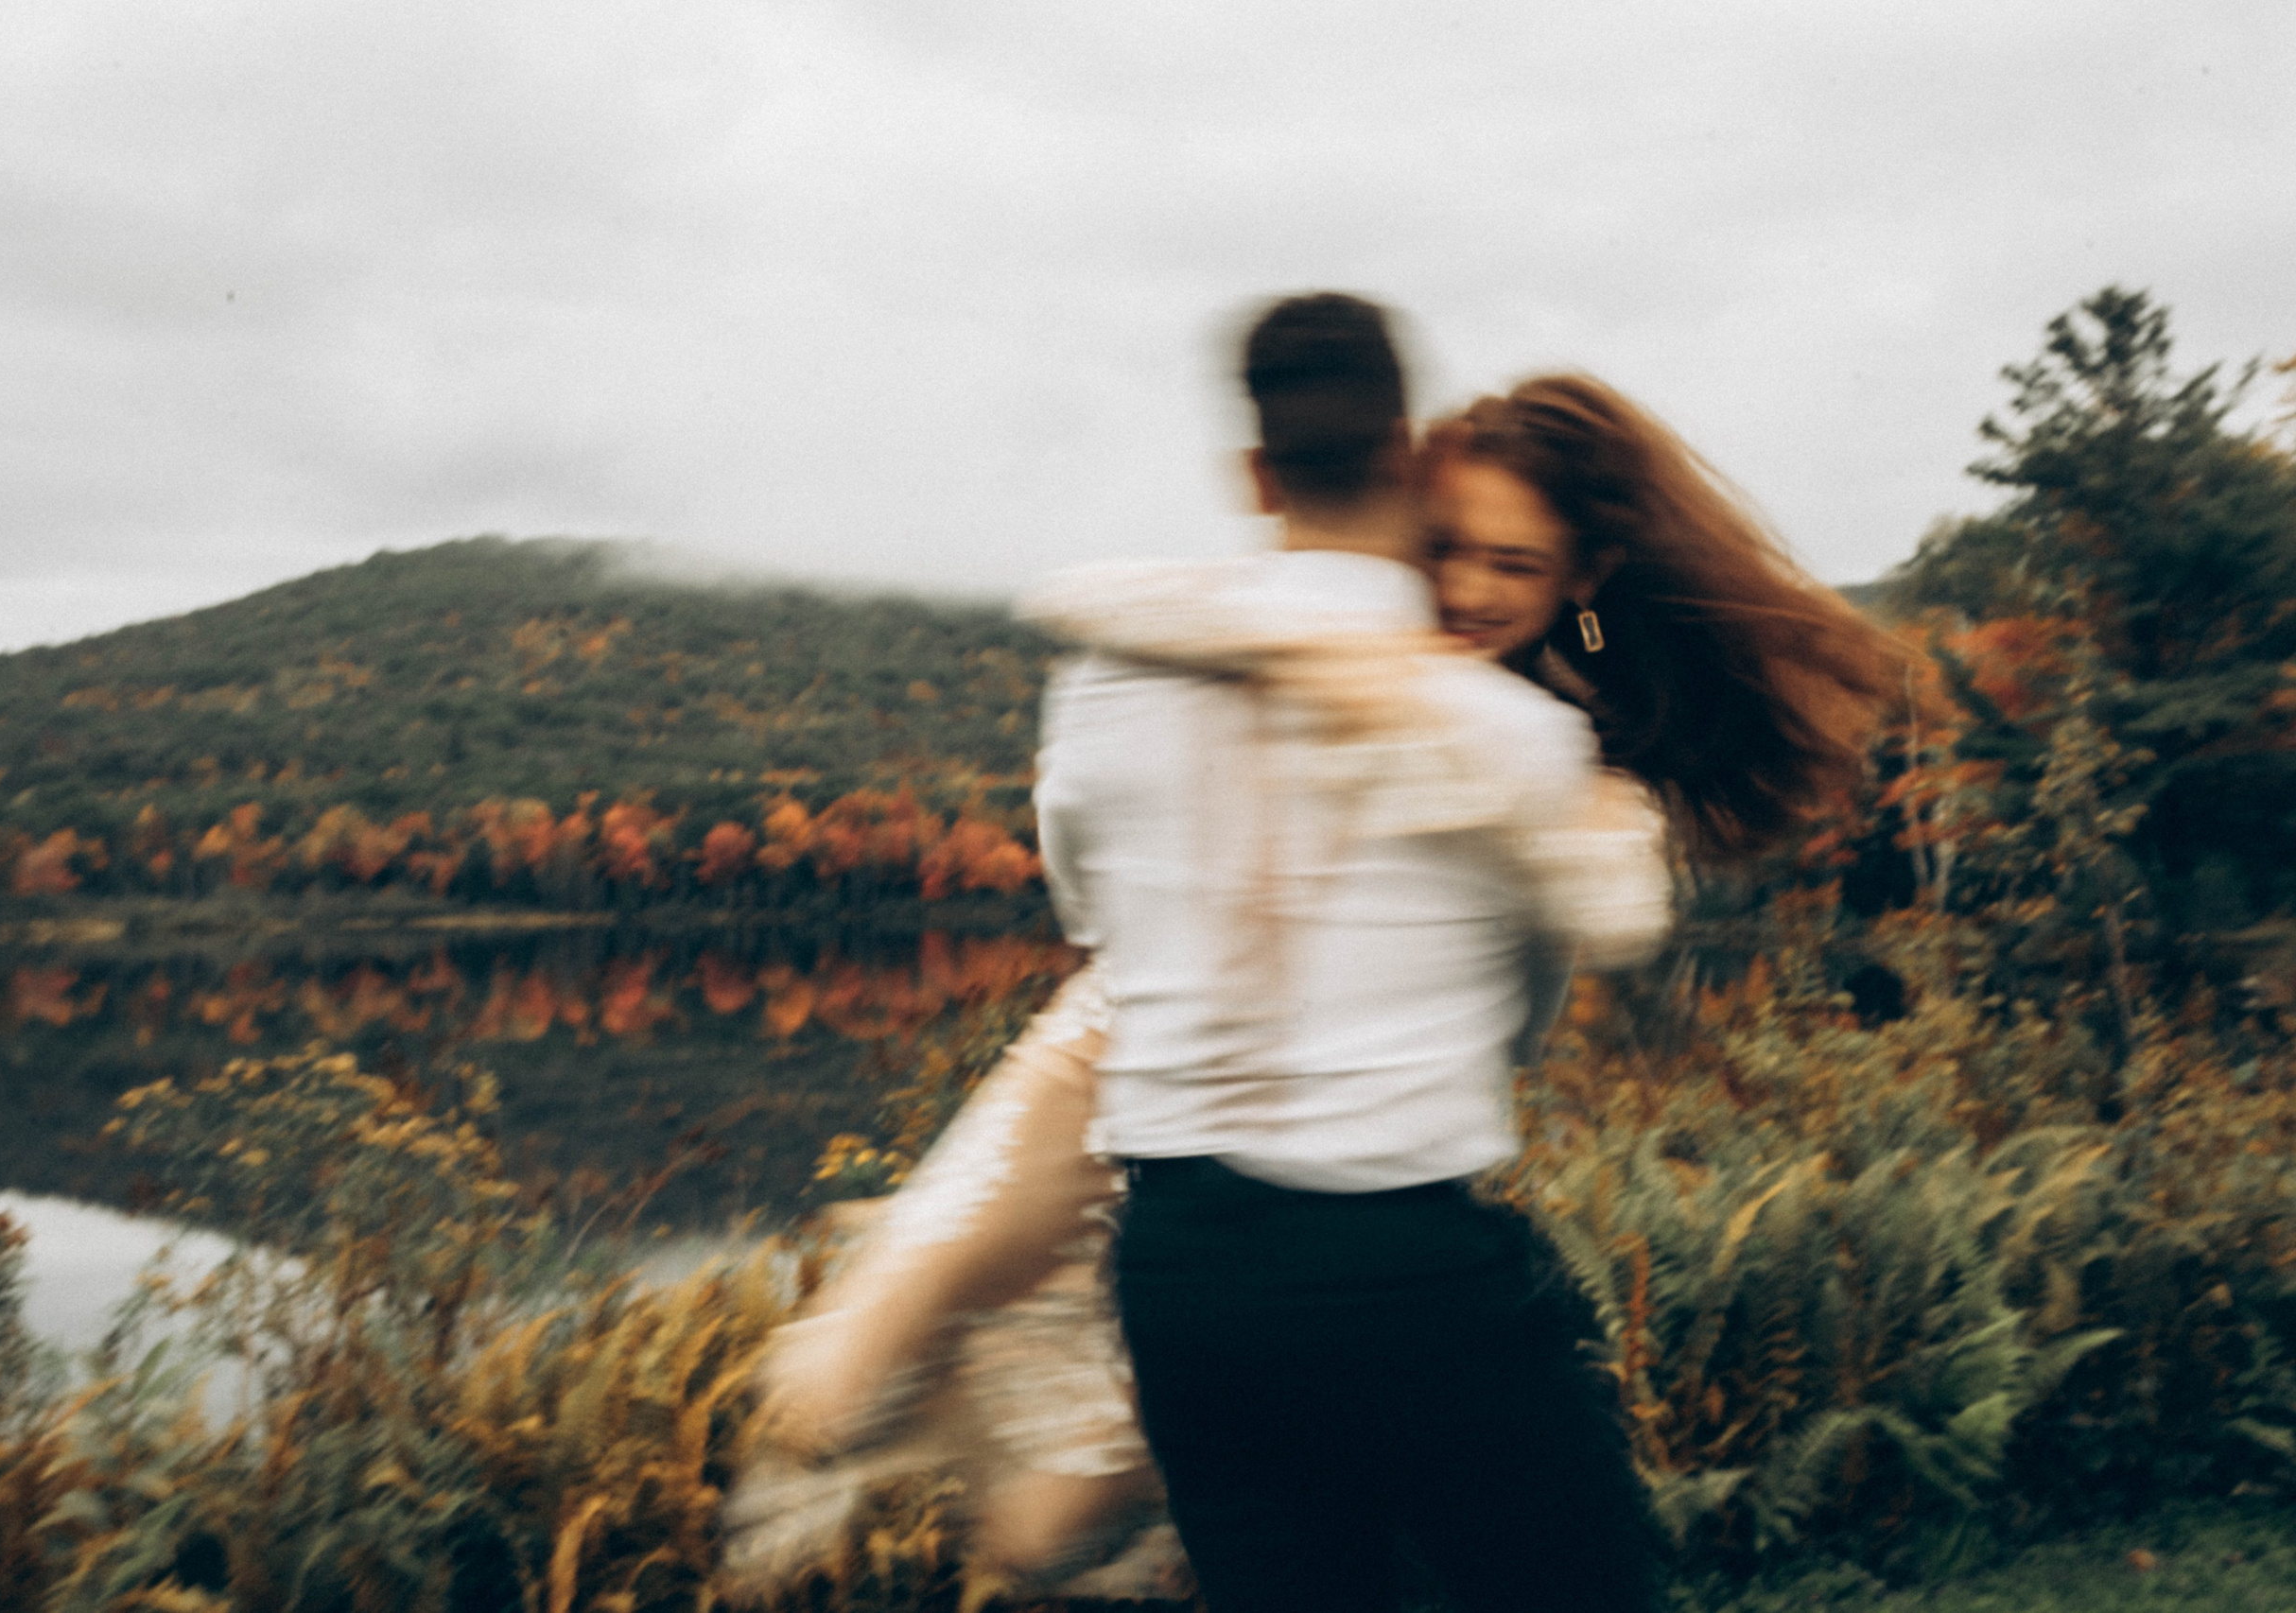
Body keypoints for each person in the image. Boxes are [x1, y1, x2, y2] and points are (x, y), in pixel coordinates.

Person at [725, 300, 1901, 1610]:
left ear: (1254, 472)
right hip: (1397, 1275)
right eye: (1456, 547)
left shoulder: (1112, 679)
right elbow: (1516, 1022)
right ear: (1405, 463)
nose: (1465, 588)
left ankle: (894, 1360)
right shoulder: (1509, 738)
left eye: (1513, 562)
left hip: (1184, 1285)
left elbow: (1094, 911)